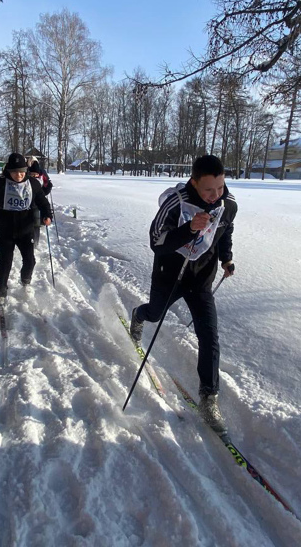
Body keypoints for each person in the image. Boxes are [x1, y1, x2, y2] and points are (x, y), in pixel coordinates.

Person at [129, 154, 237, 433]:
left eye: (220, 187)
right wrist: (189, 229)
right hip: (169, 275)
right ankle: (138, 315)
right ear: (194, 182)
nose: (215, 195)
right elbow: (156, 242)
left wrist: (226, 258)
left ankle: (209, 397)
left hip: (201, 278)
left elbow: (225, 231)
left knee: (209, 335)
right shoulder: (175, 203)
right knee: (155, 313)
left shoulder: (228, 203)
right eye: (208, 189)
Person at [0, 153, 52, 302]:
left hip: (26, 229)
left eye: (22, 171)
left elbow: (43, 202)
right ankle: (1, 290)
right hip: (5, 229)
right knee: (5, 263)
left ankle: (25, 280)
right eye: (15, 172)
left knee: (30, 261)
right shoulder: (0, 183)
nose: (19, 175)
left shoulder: (33, 184)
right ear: (9, 170)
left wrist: (47, 215)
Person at [27, 159, 53, 246]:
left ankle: (35, 242)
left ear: (39, 174)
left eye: (36, 174)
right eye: (32, 174)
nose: (34, 176)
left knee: (37, 222)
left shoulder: (42, 179)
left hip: (38, 202)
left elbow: (46, 187)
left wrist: (48, 188)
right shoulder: (27, 180)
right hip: (29, 203)